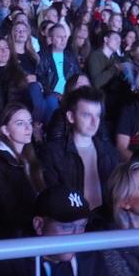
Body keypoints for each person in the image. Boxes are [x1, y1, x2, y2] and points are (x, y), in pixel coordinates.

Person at [0, 186, 104, 276]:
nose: (76, 235)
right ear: (39, 225)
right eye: (67, 227)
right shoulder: (10, 266)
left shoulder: (91, 257)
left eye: (82, 226)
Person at [39, 86, 119, 226]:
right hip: (72, 224)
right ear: (70, 117)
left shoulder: (109, 150)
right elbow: (54, 202)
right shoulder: (53, 153)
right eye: (87, 115)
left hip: (107, 222)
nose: (95, 122)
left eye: (98, 115)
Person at [0, 103, 46, 238]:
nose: (28, 128)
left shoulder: (29, 154)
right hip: (13, 235)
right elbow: (7, 211)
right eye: (20, 123)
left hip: (34, 226)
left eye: (29, 122)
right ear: (5, 130)